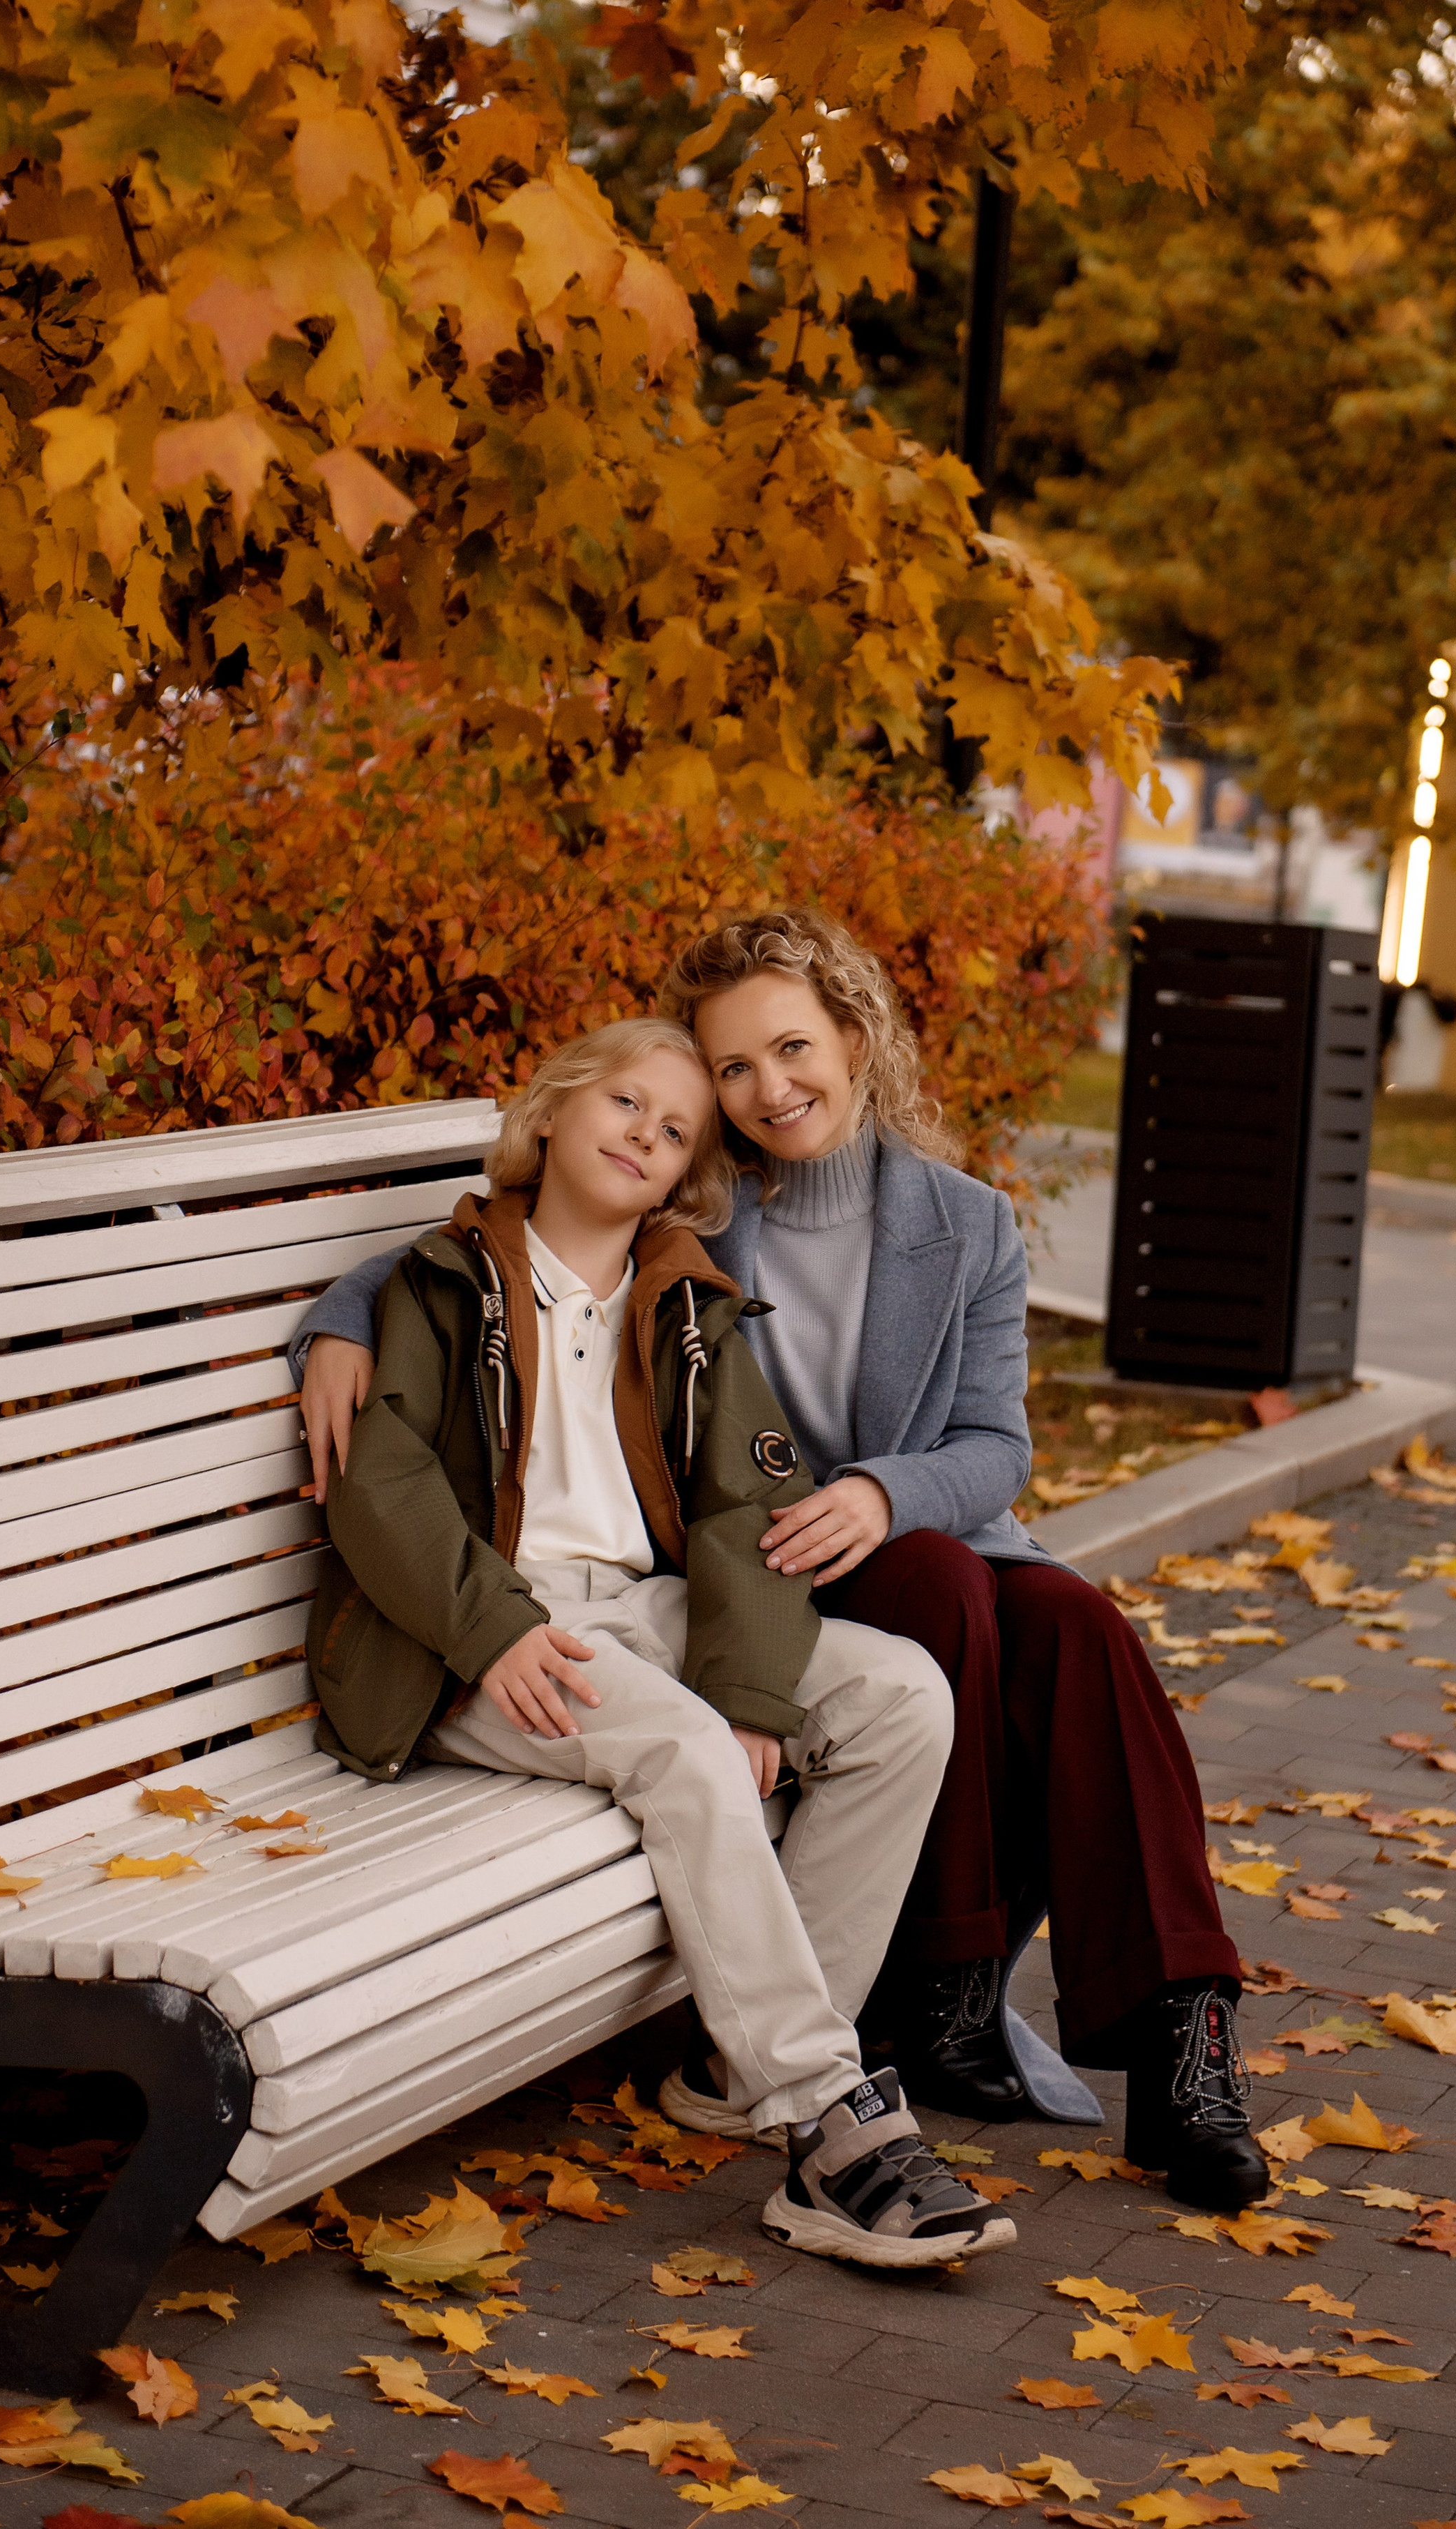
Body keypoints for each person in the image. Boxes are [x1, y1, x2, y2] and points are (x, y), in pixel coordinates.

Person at [294, 921, 1268, 2214]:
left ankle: (1186, 2038)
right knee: (938, 1601)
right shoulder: (701, 1212)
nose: (767, 1088)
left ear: (856, 1039)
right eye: (732, 1068)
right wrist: (338, 1315)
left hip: (891, 1535)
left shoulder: (965, 1224)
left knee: (1075, 1626)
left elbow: (997, 1446)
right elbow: (492, 1250)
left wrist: (881, 1490)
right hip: (755, 1564)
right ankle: (906, 2022)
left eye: (792, 1049)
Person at [305, 1013, 1013, 2269]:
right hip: (467, 1640)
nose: (646, 1132)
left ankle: (734, 2074)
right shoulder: (438, 1284)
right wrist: (494, 1630)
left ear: (691, 1173)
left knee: (903, 1696)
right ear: (557, 1109)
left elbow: (745, 1508)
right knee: (684, 1746)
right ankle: (823, 2121)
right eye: (626, 1101)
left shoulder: (686, 1302)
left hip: (639, 1613)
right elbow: (383, 1485)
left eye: (677, 1128)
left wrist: (749, 1693)